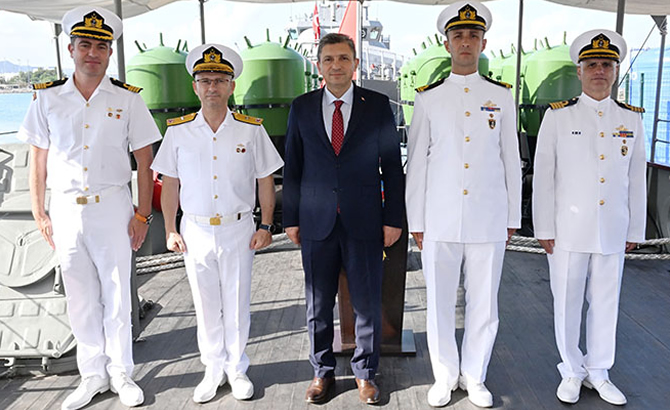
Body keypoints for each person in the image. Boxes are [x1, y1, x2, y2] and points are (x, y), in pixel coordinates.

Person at [18, 6, 161, 410]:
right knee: (79, 297)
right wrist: (39, 212)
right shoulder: (47, 98)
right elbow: (38, 159)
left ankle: (121, 373)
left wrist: (142, 214)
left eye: (101, 47)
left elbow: (145, 159)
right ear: (71, 49)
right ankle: (92, 375)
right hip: (65, 210)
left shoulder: (128, 99)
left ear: (110, 53)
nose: (92, 53)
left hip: (112, 206)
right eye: (85, 45)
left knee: (117, 294)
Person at [151, 43, 283, 403]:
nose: (212, 87)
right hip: (194, 229)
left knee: (237, 303)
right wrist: (170, 229)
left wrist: (266, 225)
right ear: (195, 87)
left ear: (232, 86)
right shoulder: (178, 131)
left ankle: (237, 368)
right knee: (205, 303)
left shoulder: (250, 129)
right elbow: (170, 183)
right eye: (205, 80)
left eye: (220, 80)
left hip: (238, 227)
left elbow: (265, 180)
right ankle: (212, 369)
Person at [405, 1, 522, 407]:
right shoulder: (429, 98)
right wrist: (416, 220)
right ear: (447, 44)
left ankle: (474, 376)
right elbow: (417, 162)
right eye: (458, 36)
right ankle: (444, 375)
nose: (466, 42)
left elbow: (511, 160)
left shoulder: (501, 97)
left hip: (488, 218)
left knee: (484, 304)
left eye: (473, 35)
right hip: (439, 217)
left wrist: (512, 216)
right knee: (439, 304)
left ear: (484, 43)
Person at [283, 33, 404, 405]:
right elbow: (293, 166)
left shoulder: (377, 106)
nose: (336, 65)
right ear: (319, 65)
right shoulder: (302, 107)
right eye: (329, 59)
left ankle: (365, 373)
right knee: (318, 304)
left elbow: (392, 167)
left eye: (343, 58)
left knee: (366, 302)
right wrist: (290, 218)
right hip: (315, 221)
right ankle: (322, 371)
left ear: (355, 64)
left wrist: (393, 218)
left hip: (365, 220)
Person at [532, 29, 646, 406]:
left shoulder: (631, 119)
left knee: (606, 302)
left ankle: (599, 371)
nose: (600, 71)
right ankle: (571, 369)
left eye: (607, 65)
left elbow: (636, 178)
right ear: (579, 71)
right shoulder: (559, 116)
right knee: (566, 302)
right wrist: (543, 226)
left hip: (612, 227)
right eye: (592, 64)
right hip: (567, 229)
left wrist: (635, 228)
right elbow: (544, 176)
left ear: (615, 71)